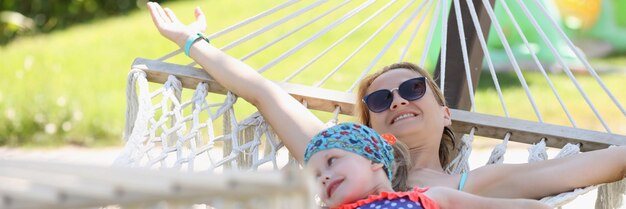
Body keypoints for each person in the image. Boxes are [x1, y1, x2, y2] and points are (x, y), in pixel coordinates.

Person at [146, 1, 626, 200]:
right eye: (380, 98)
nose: (397, 99)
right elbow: (263, 92)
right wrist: (193, 42)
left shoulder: (477, 186)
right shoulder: (339, 159)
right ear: (369, 129)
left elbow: (603, 164)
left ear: (445, 112)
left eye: (414, 89)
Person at [304, 122, 550, 209]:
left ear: (374, 160)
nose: (324, 177)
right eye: (314, 177)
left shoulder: (429, 198)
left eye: (332, 161)